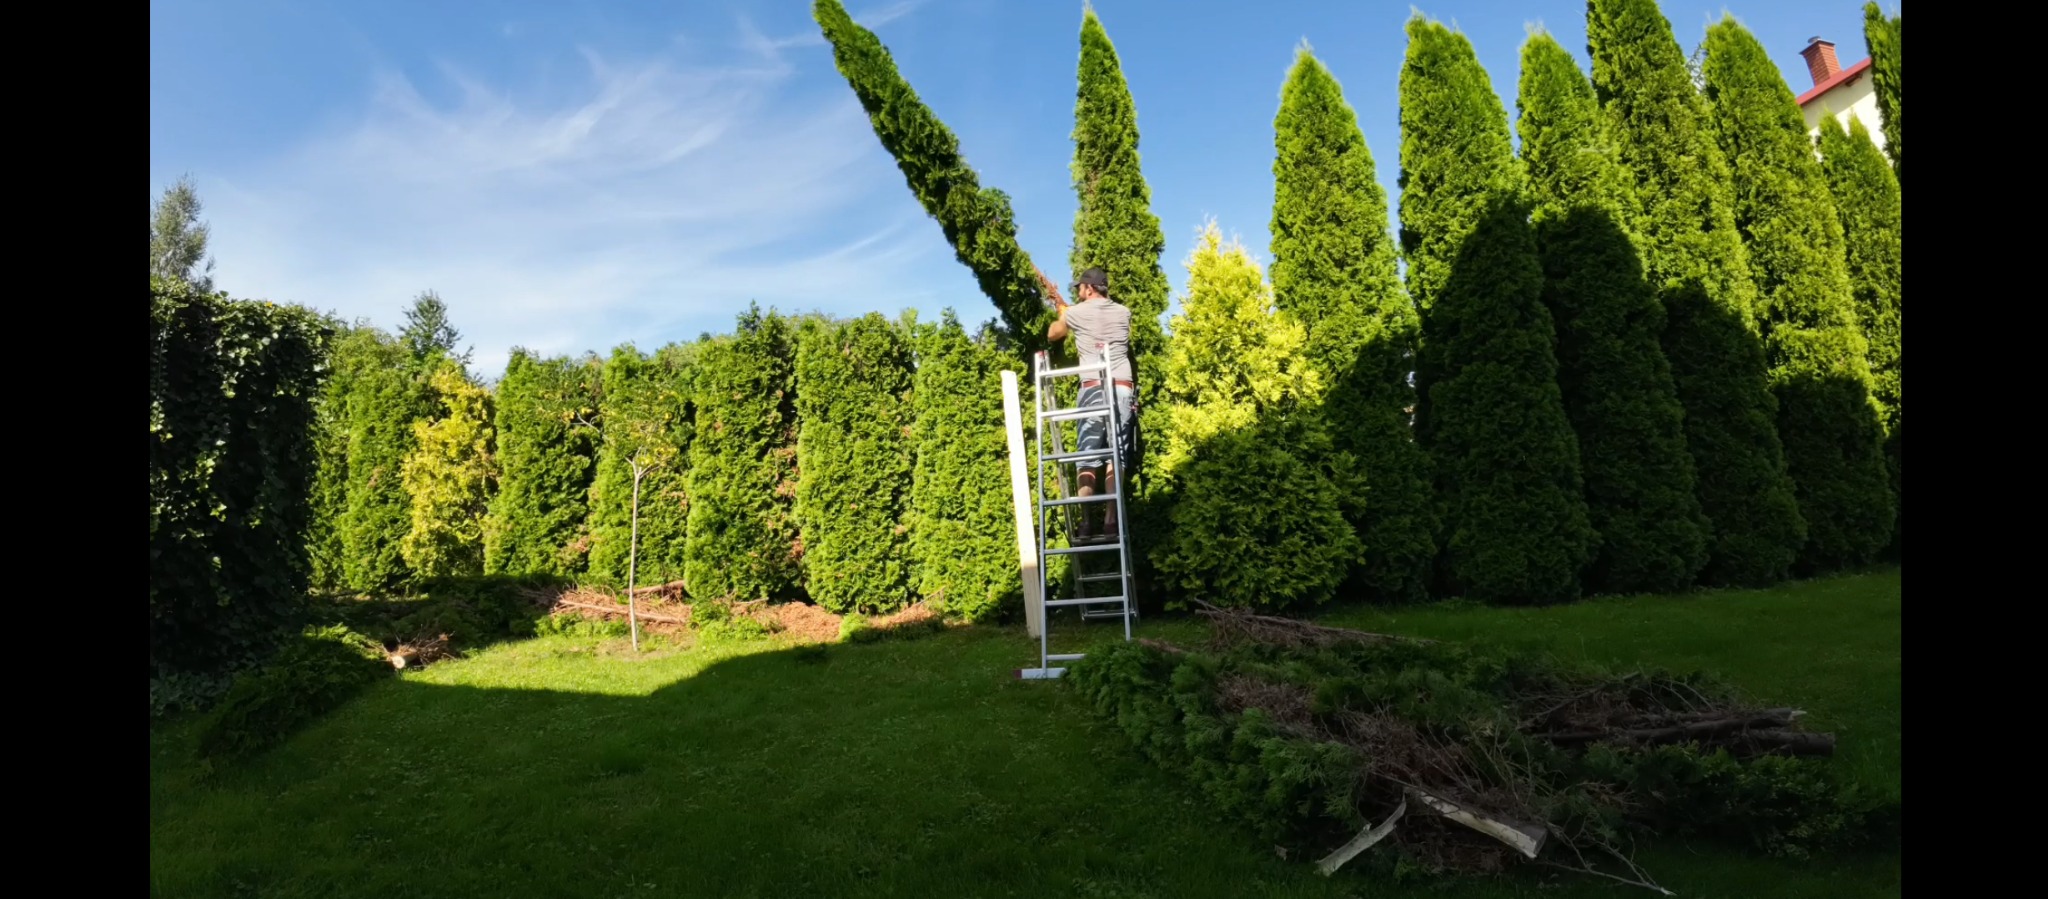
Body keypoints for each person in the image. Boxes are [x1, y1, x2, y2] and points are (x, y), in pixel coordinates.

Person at [1047, 266, 1136, 539]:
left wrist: (1063, 314)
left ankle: (1086, 523)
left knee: (1086, 455)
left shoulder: (1076, 313)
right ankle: (1111, 521)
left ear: (1089, 288)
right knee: (1116, 455)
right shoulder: (1124, 313)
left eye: (1080, 289)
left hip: (1093, 388)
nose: (1078, 293)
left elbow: (1053, 334)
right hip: (1122, 387)